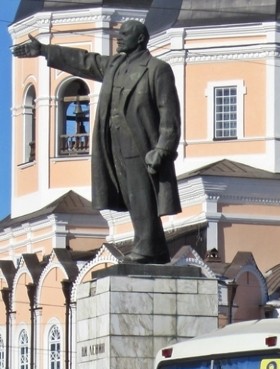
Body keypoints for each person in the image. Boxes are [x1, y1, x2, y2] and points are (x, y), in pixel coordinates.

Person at [13, 21, 182, 264]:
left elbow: (170, 113)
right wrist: (44, 50)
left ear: (141, 39)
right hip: (114, 145)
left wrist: (163, 148)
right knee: (132, 197)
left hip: (141, 144)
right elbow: (84, 61)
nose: (119, 38)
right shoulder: (113, 66)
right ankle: (154, 248)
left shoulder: (157, 69)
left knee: (142, 195)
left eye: (125, 34)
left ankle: (148, 247)